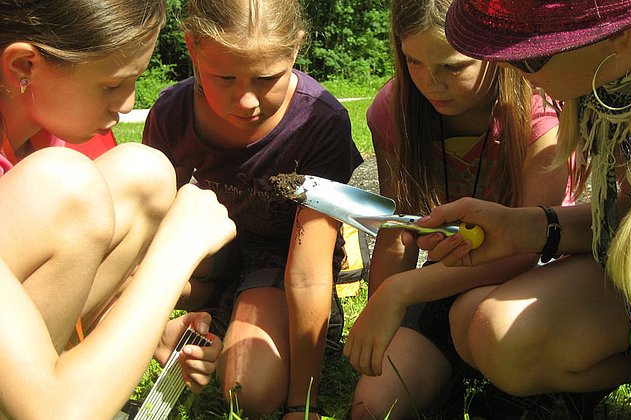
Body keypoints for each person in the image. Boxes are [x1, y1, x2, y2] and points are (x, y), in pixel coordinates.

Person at [412, 0, 631, 417]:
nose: (508, 66)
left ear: (618, 34)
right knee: (493, 328)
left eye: (529, 56)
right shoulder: (614, 77)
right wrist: (524, 228)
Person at [0, 1, 236, 419]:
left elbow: (55, 283)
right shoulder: (57, 175)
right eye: (111, 86)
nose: (127, 104)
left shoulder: (50, 138)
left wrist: (145, 328)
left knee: (144, 174)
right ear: (24, 67)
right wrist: (174, 255)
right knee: (65, 182)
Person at [342, 0, 570, 417]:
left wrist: (401, 292)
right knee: (372, 409)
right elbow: (399, 229)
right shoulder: (393, 111)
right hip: (447, 279)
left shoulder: (541, 118)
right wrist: (381, 311)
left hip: (536, 284)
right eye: (414, 62)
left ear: (493, 52)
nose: (432, 84)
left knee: (492, 341)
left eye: (453, 67)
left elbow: (524, 252)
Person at [142, 0, 363, 417]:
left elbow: (308, 269)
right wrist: (151, 324)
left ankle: (232, 323)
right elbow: (152, 233)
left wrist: (303, 404)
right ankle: (214, 316)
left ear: (295, 50)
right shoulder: (172, 113)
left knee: (250, 392)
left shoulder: (319, 121)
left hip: (279, 266)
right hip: (212, 256)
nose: (245, 100)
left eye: (266, 78)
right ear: (192, 46)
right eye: (224, 77)